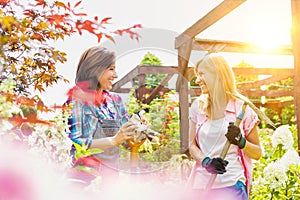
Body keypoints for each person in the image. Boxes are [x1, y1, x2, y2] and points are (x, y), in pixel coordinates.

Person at [187, 53, 266, 200]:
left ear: (217, 74)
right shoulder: (198, 106)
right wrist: (206, 162)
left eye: (202, 74)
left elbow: (257, 153)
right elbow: (191, 145)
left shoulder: (242, 109)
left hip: (232, 187)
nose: (197, 80)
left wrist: (241, 141)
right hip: (201, 188)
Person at [67, 46, 137, 184]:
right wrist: (114, 140)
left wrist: (137, 131)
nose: (116, 75)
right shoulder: (77, 100)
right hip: (84, 178)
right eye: (111, 69)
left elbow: (126, 142)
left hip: (110, 178)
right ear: (95, 69)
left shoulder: (115, 101)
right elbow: (79, 142)